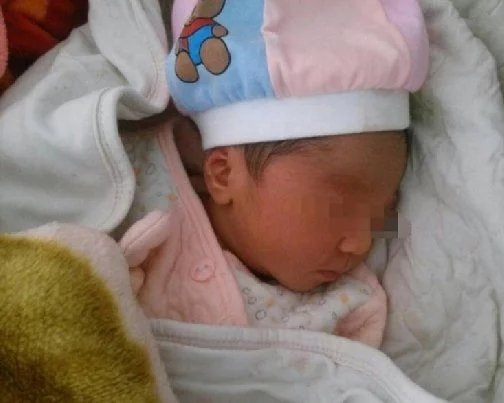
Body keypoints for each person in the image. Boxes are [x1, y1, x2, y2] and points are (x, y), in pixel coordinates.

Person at [120, 0, 429, 348]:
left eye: (381, 216)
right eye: (339, 209)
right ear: (223, 174)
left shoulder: (346, 308)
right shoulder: (126, 186)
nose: (361, 244)